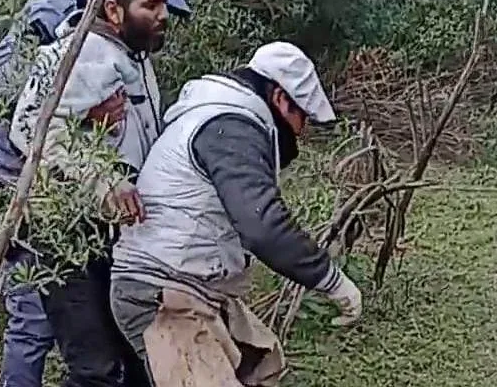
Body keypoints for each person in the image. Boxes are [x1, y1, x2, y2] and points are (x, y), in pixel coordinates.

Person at [0, 0, 192, 387]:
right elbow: (28, 124)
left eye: (164, 5)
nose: (163, 16)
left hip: (99, 227)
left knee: (117, 355)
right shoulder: (73, 43)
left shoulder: (131, 53)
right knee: (55, 339)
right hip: (55, 219)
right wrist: (100, 173)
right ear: (114, 7)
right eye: (151, 5)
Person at [109, 42, 363, 386]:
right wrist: (330, 280)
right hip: (161, 291)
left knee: (262, 367)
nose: (301, 131)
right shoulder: (231, 127)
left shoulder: (220, 117)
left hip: (194, 287)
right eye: (301, 115)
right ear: (279, 98)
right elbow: (262, 224)